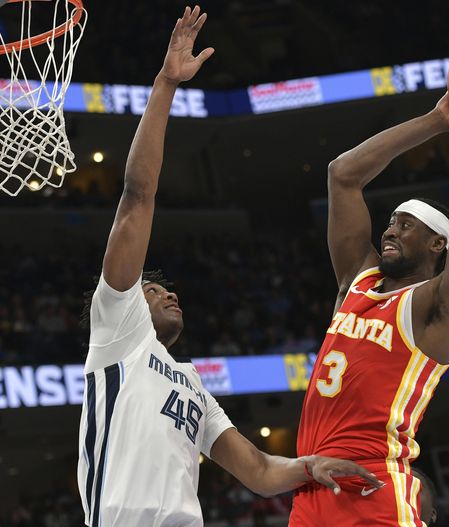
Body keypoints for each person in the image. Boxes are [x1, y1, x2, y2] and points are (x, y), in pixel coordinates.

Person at [76, 7, 381, 526]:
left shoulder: (191, 384)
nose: (169, 295)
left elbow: (259, 471)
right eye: (153, 291)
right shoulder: (117, 333)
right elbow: (137, 195)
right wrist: (167, 84)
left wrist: (311, 465)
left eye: (168, 291)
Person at [290, 65, 449, 526]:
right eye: (390, 221)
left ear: (437, 244)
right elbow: (342, 174)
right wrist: (439, 119)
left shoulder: (437, 306)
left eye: (406, 225)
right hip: (311, 486)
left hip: (374, 486)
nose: (389, 229)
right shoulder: (357, 282)